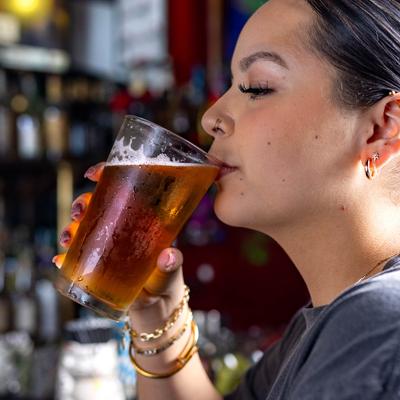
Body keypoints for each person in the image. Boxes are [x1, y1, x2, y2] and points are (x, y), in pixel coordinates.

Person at [54, 0, 400, 398]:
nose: (211, 116)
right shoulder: (322, 325)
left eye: (258, 87)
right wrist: (155, 311)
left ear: (381, 128)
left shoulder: (378, 323)